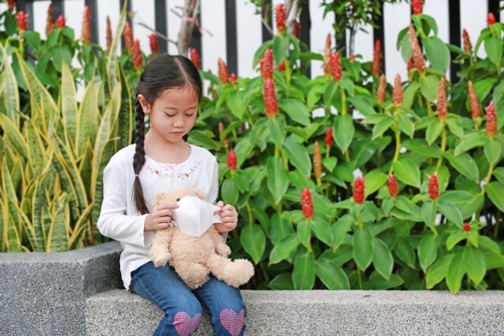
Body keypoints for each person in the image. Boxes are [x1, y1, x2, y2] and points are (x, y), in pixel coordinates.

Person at [97, 54, 247, 336]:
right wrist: (147, 223)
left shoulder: (204, 161)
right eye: (170, 113)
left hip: (200, 260)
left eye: (190, 113)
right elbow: (106, 222)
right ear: (145, 104)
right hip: (148, 263)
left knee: (232, 314)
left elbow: (207, 224)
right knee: (185, 314)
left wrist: (221, 224)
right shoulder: (124, 162)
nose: (180, 122)